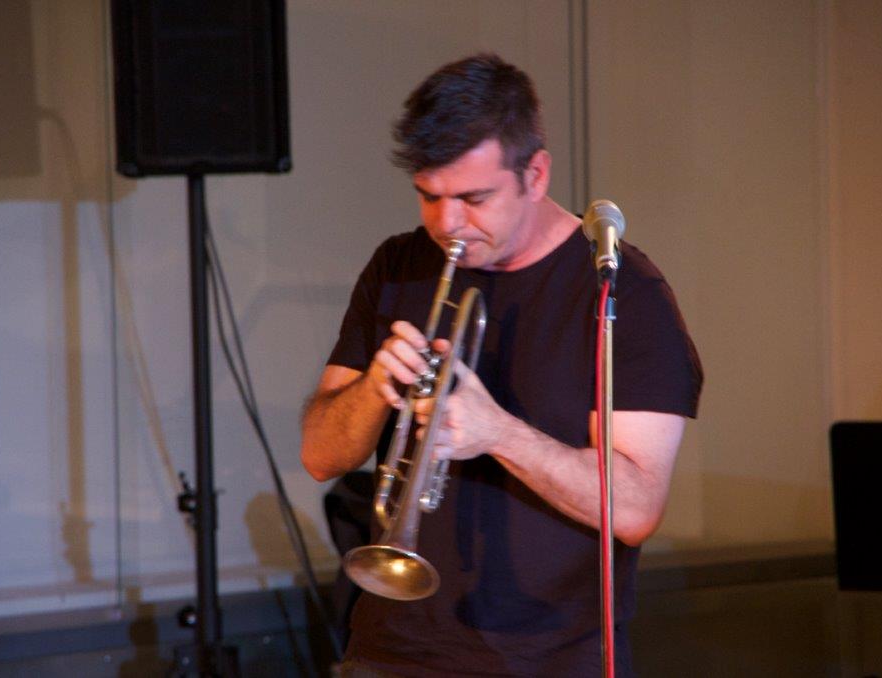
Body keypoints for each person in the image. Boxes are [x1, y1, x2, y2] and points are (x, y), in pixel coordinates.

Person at [301, 53, 703, 677]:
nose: (447, 224)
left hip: (549, 660)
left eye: (474, 198)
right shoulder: (398, 265)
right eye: (429, 197)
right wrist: (374, 387)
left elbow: (635, 510)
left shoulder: (622, 292)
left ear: (534, 174)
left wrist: (499, 434)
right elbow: (320, 457)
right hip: (391, 649)